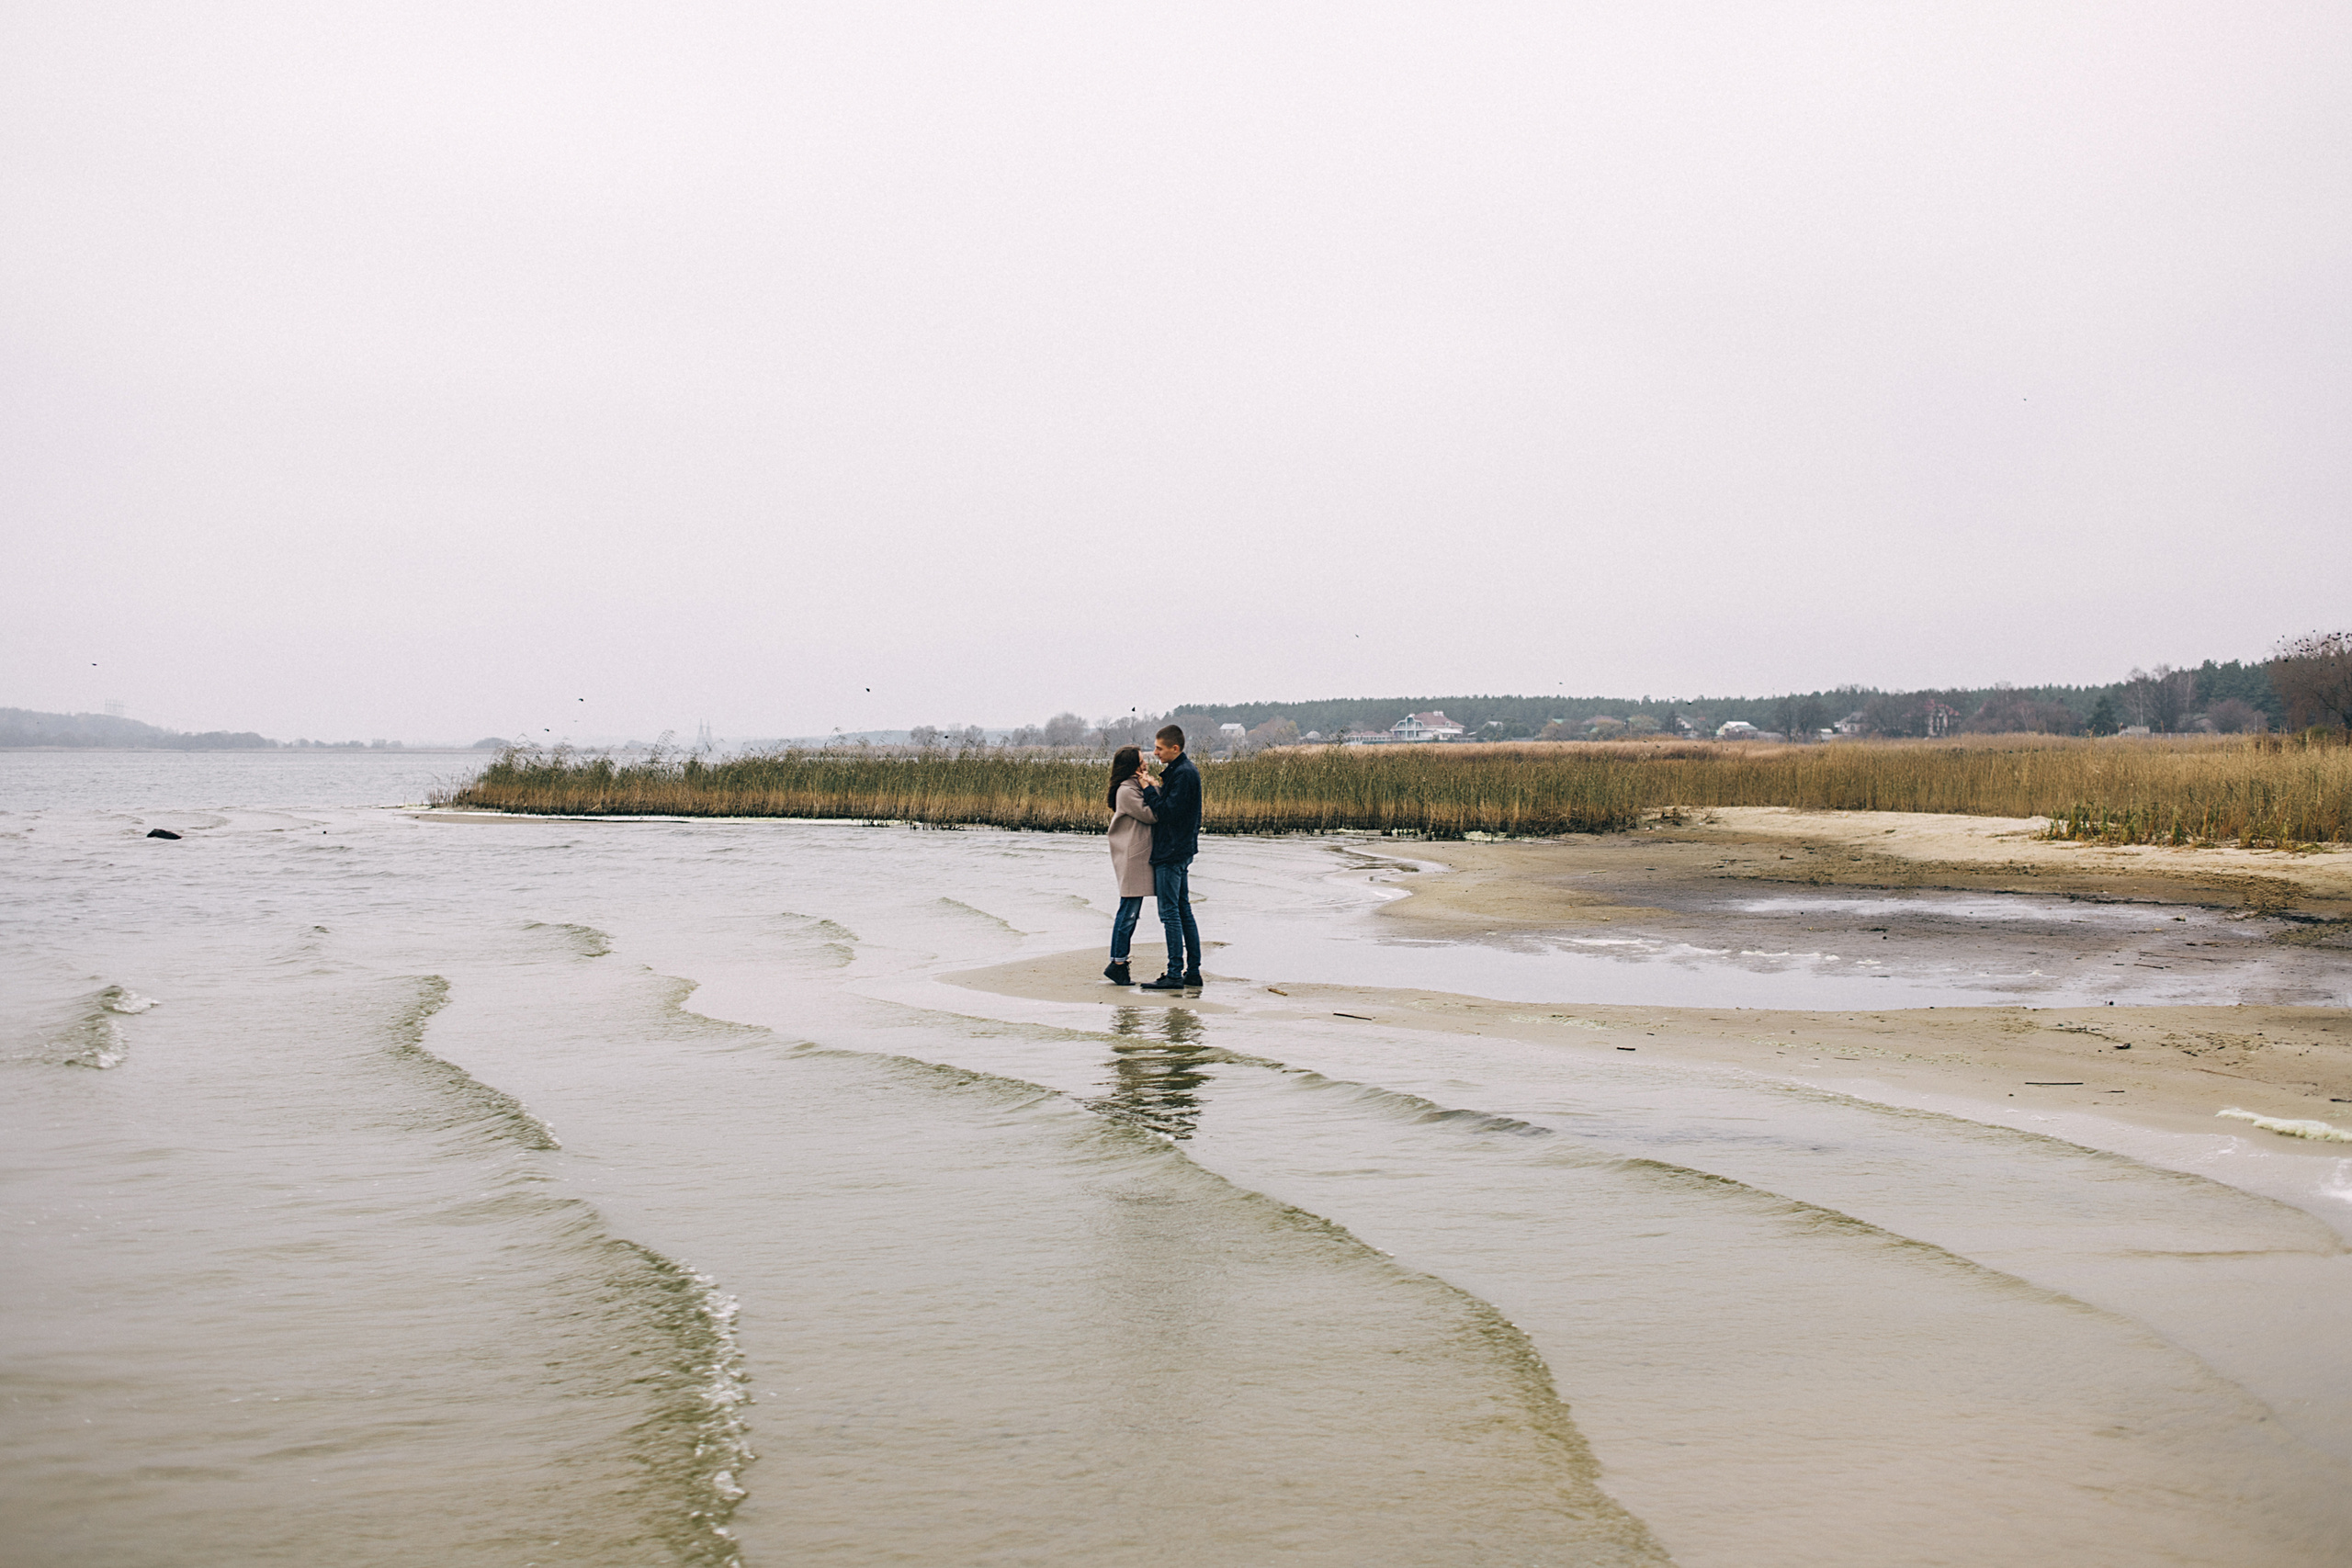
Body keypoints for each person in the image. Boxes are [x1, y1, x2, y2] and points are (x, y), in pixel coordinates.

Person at [1136, 724, 1203, 991]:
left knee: (1170, 913)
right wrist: (1156, 785)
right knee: (1183, 910)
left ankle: (1175, 973)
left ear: (1175, 748)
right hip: (1181, 849)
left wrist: (1147, 788)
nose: (1155, 753)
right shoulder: (1181, 772)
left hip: (1171, 851)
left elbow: (1166, 812)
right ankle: (1193, 972)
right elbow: (1175, 805)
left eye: (1159, 749)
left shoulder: (1184, 773)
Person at [1102, 745, 1155, 985]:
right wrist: (1151, 786)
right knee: (1129, 912)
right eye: (1142, 760)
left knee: (1130, 909)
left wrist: (1148, 785)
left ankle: (1119, 962)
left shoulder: (1132, 786)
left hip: (1135, 854)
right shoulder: (1127, 790)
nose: (1146, 763)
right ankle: (1118, 963)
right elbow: (1151, 815)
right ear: (1132, 765)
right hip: (1132, 856)